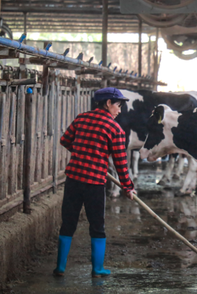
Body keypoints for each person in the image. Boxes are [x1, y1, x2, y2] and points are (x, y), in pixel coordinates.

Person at [54, 87, 136, 278]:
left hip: (73, 179)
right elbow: (120, 163)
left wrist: (82, 153)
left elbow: (65, 140)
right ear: (108, 103)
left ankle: (60, 267)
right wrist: (128, 187)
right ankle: (97, 269)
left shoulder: (81, 118)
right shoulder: (115, 129)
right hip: (94, 183)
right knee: (97, 226)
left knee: (68, 223)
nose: (120, 110)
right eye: (118, 105)